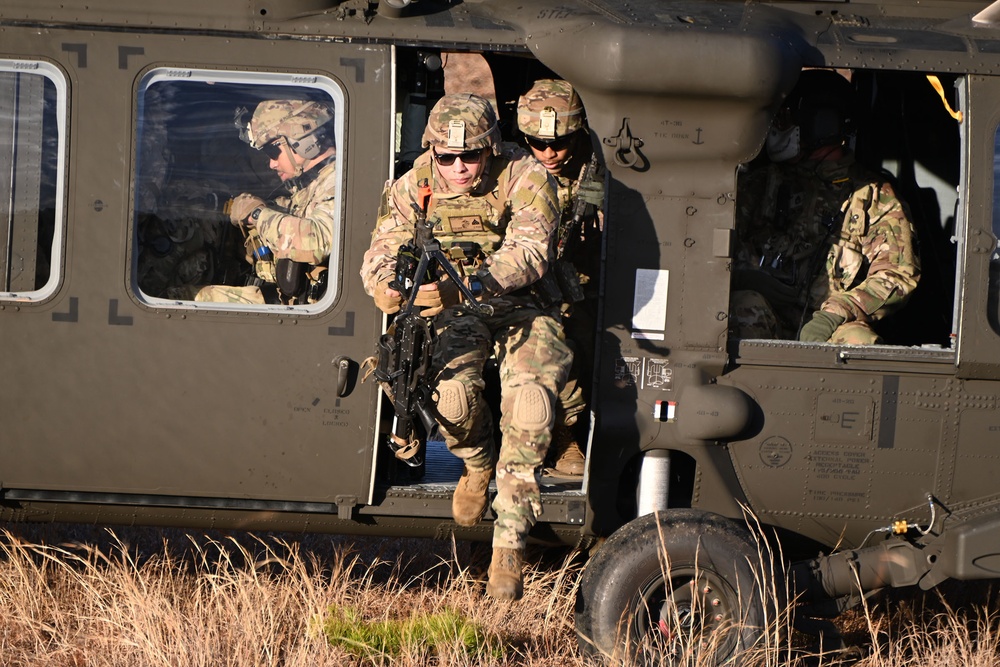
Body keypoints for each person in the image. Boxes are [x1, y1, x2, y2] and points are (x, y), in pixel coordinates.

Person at [361, 92, 571, 600]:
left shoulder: (525, 175)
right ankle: (476, 465)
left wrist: (467, 287)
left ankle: (509, 541)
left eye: (470, 156)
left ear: (491, 149)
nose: (457, 167)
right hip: (452, 310)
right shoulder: (415, 183)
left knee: (532, 405)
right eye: (446, 156)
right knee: (451, 397)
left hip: (522, 304)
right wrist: (387, 287)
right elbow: (383, 246)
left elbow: (529, 250)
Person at [731, 69, 920, 344]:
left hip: (830, 324)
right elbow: (711, 249)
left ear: (819, 124)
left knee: (859, 342)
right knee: (743, 308)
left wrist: (834, 314)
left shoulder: (874, 197)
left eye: (786, 118)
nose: (777, 129)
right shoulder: (761, 185)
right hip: (766, 314)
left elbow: (898, 274)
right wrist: (745, 278)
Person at [516, 79, 604, 476]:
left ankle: (567, 438)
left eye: (560, 143)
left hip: (579, 286)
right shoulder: (513, 169)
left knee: (575, 342)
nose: (548, 152)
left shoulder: (598, 172)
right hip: (520, 281)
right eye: (536, 142)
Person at [190, 99, 338, 304]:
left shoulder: (337, 180)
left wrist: (257, 215)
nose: (271, 163)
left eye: (272, 151)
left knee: (185, 297)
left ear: (302, 141)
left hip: (302, 307)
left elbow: (317, 241)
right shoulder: (312, 182)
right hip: (288, 297)